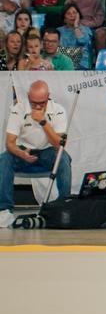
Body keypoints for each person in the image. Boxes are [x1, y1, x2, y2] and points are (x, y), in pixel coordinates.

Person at [0, 80, 70, 228]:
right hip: (23, 152)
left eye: (42, 103)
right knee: (4, 158)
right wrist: (20, 153)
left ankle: (64, 205)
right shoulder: (18, 109)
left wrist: (44, 122)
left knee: (63, 157)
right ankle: (4, 209)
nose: (38, 106)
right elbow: (10, 143)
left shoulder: (58, 110)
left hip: (47, 152)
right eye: (33, 103)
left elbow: (59, 145)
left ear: (48, 97)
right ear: (28, 96)